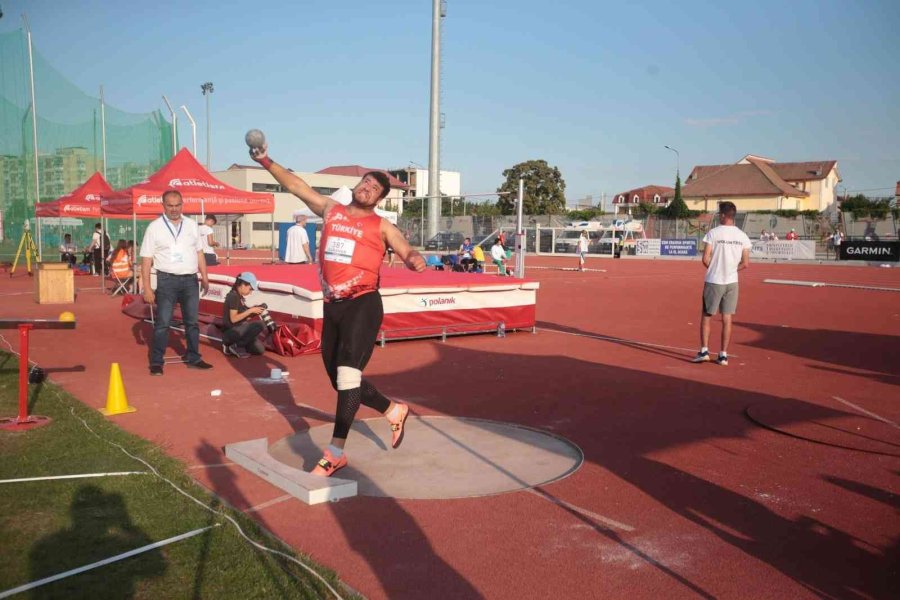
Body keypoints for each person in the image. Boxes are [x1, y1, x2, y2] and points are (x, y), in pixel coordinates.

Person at [250, 141, 425, 477]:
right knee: (341, 381)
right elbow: (296, 186)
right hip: (333, 305)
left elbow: (404, 247)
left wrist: (412, 257)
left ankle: (334, 453)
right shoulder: (331, 210)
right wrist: (265, 161)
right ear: (357, 188)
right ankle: (392, 409)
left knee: (347, 376)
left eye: (375, 188)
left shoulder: (381, 225)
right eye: (366, 183)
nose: (368, 188)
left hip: (363, 303)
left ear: (379, 199)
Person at [140, 190, 212, 376]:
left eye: (177, 205)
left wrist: (204, 276)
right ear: (163, 205)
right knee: (163, 322)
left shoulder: (191, 225)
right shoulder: (154, 228)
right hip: (167, 281)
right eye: (170, 205)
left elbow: (199, 252)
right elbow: (146, 260)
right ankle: (157, 362)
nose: (174, 209)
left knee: (192, 322)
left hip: (190, 280)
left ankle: (194, 358)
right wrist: (147, 287)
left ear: (182, 204)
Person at [692, 201, 751, 367]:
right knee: (727, 318)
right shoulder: (742, 236)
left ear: (724, 215)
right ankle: (723, 355)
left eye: (720, 214)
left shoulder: (713, 233)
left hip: (714, 280)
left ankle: (704, 351)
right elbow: (746, 263)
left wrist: (715, 269)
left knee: (707, 316)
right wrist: (731, 270)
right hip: (732, 282)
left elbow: (705, 258)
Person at [222, 272, 266, 358]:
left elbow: (245, 317)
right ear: (243, 285)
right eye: (250, 289)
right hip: (231, 332)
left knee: (259, 350)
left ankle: (239, 344)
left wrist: (254, 312)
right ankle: (232, 346)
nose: (250, 293)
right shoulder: (233, 296)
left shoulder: (240, 297)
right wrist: (250, 310)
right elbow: (234, 319)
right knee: (260, 324)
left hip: (240, 330)